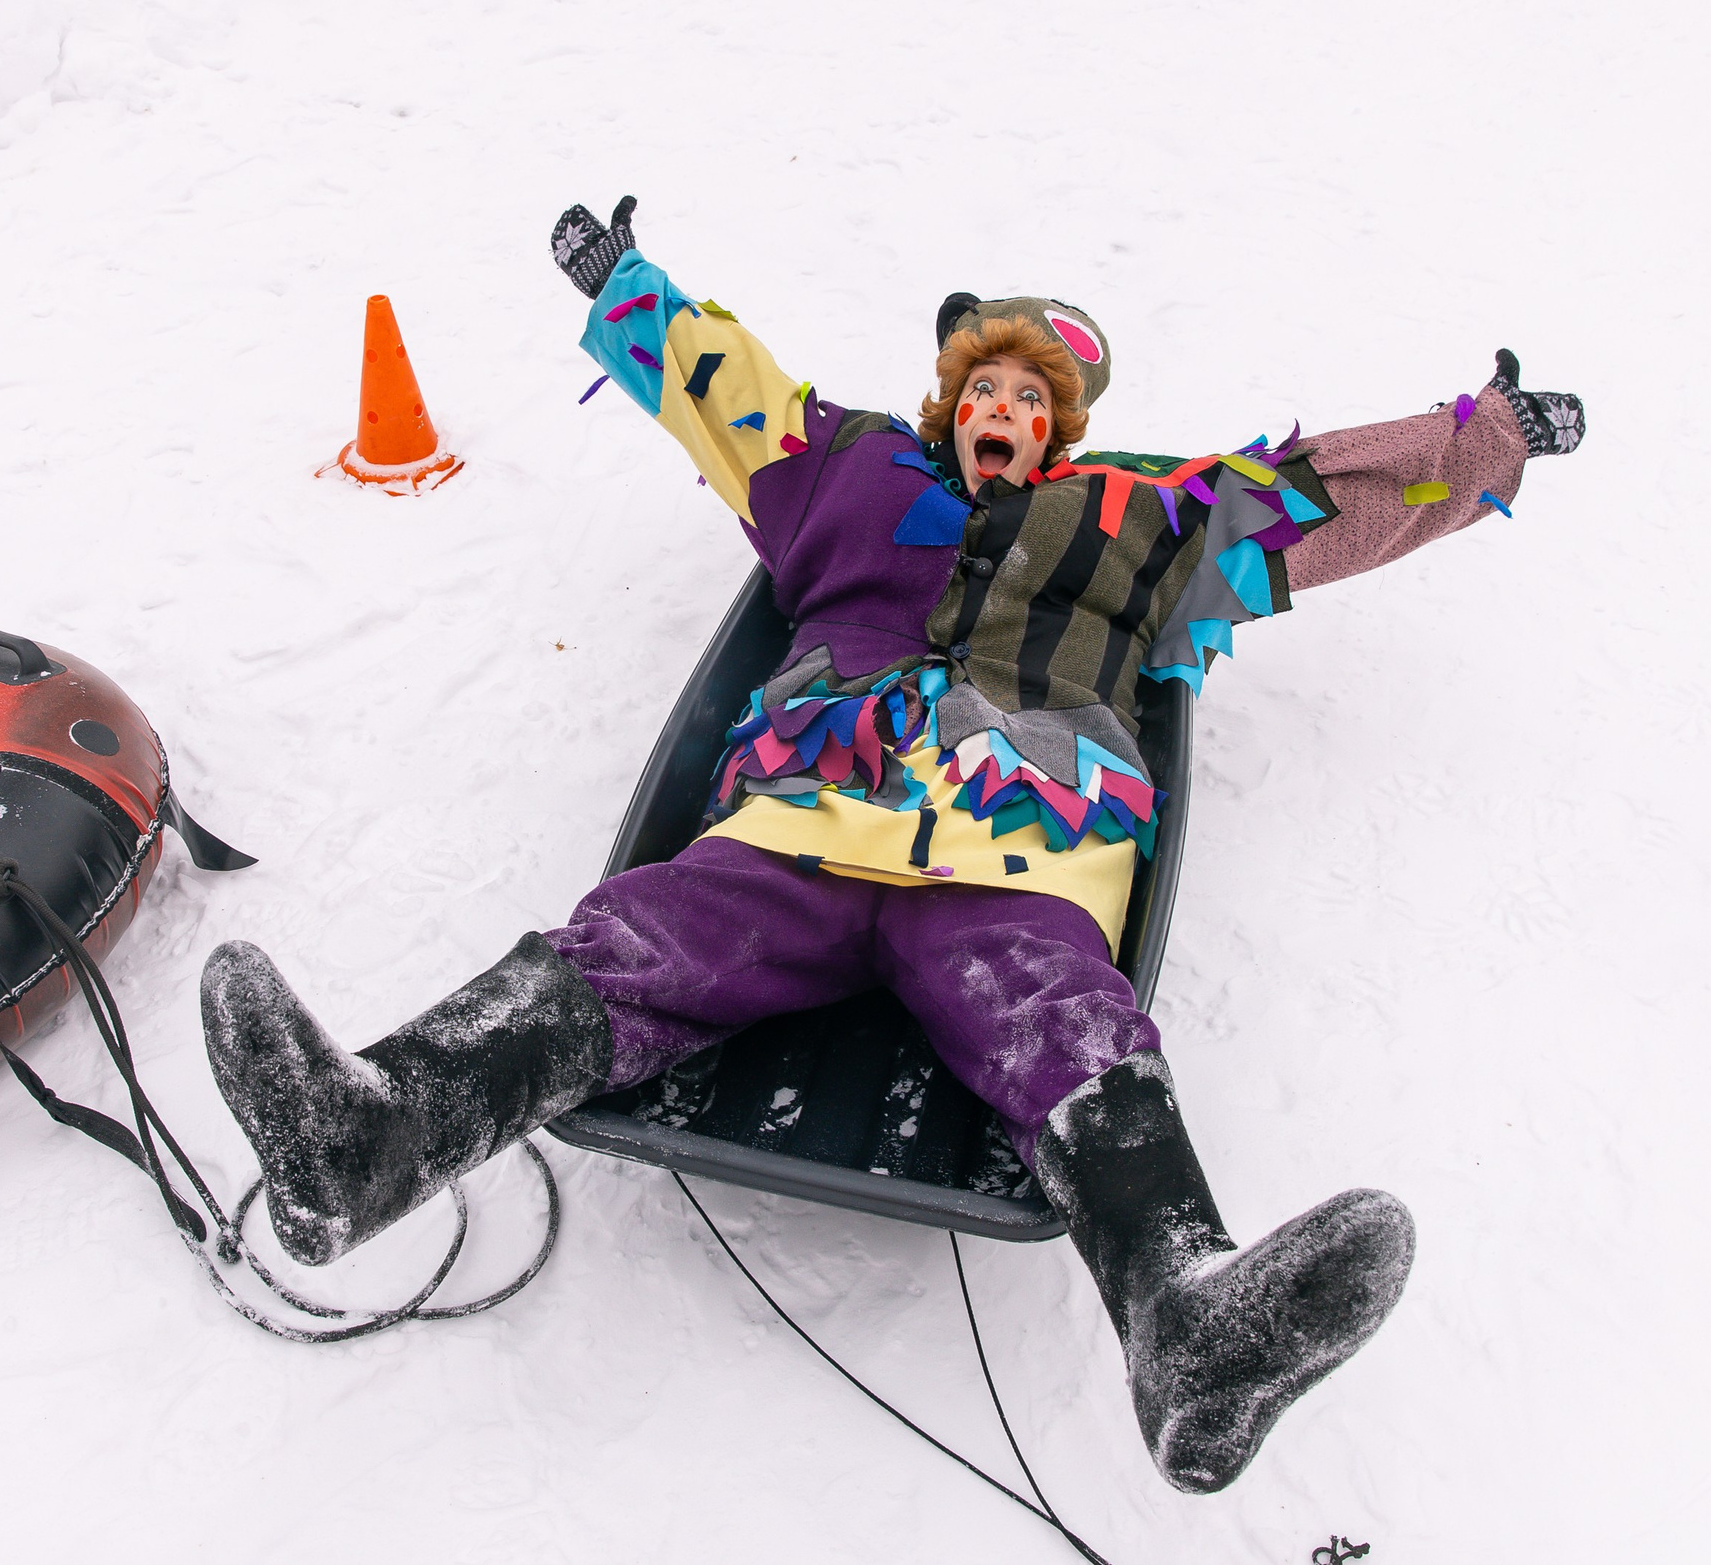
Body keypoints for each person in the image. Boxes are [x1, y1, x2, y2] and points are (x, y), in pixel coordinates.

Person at [199, 195, 1587, 1492]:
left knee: (1064, 1016)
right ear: (948, 401)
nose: (1005, 408)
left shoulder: (1142, 520)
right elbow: (723, 393)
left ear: (1066, 429)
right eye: (985, 387)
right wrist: (628, 286)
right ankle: (370, 1137)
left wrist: (1487, 440)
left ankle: (1185, 1322)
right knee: (633, 943)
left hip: (1015, 847)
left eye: (1033, 397)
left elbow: (1319, 495)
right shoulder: (847, 475)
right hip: (806, 820)